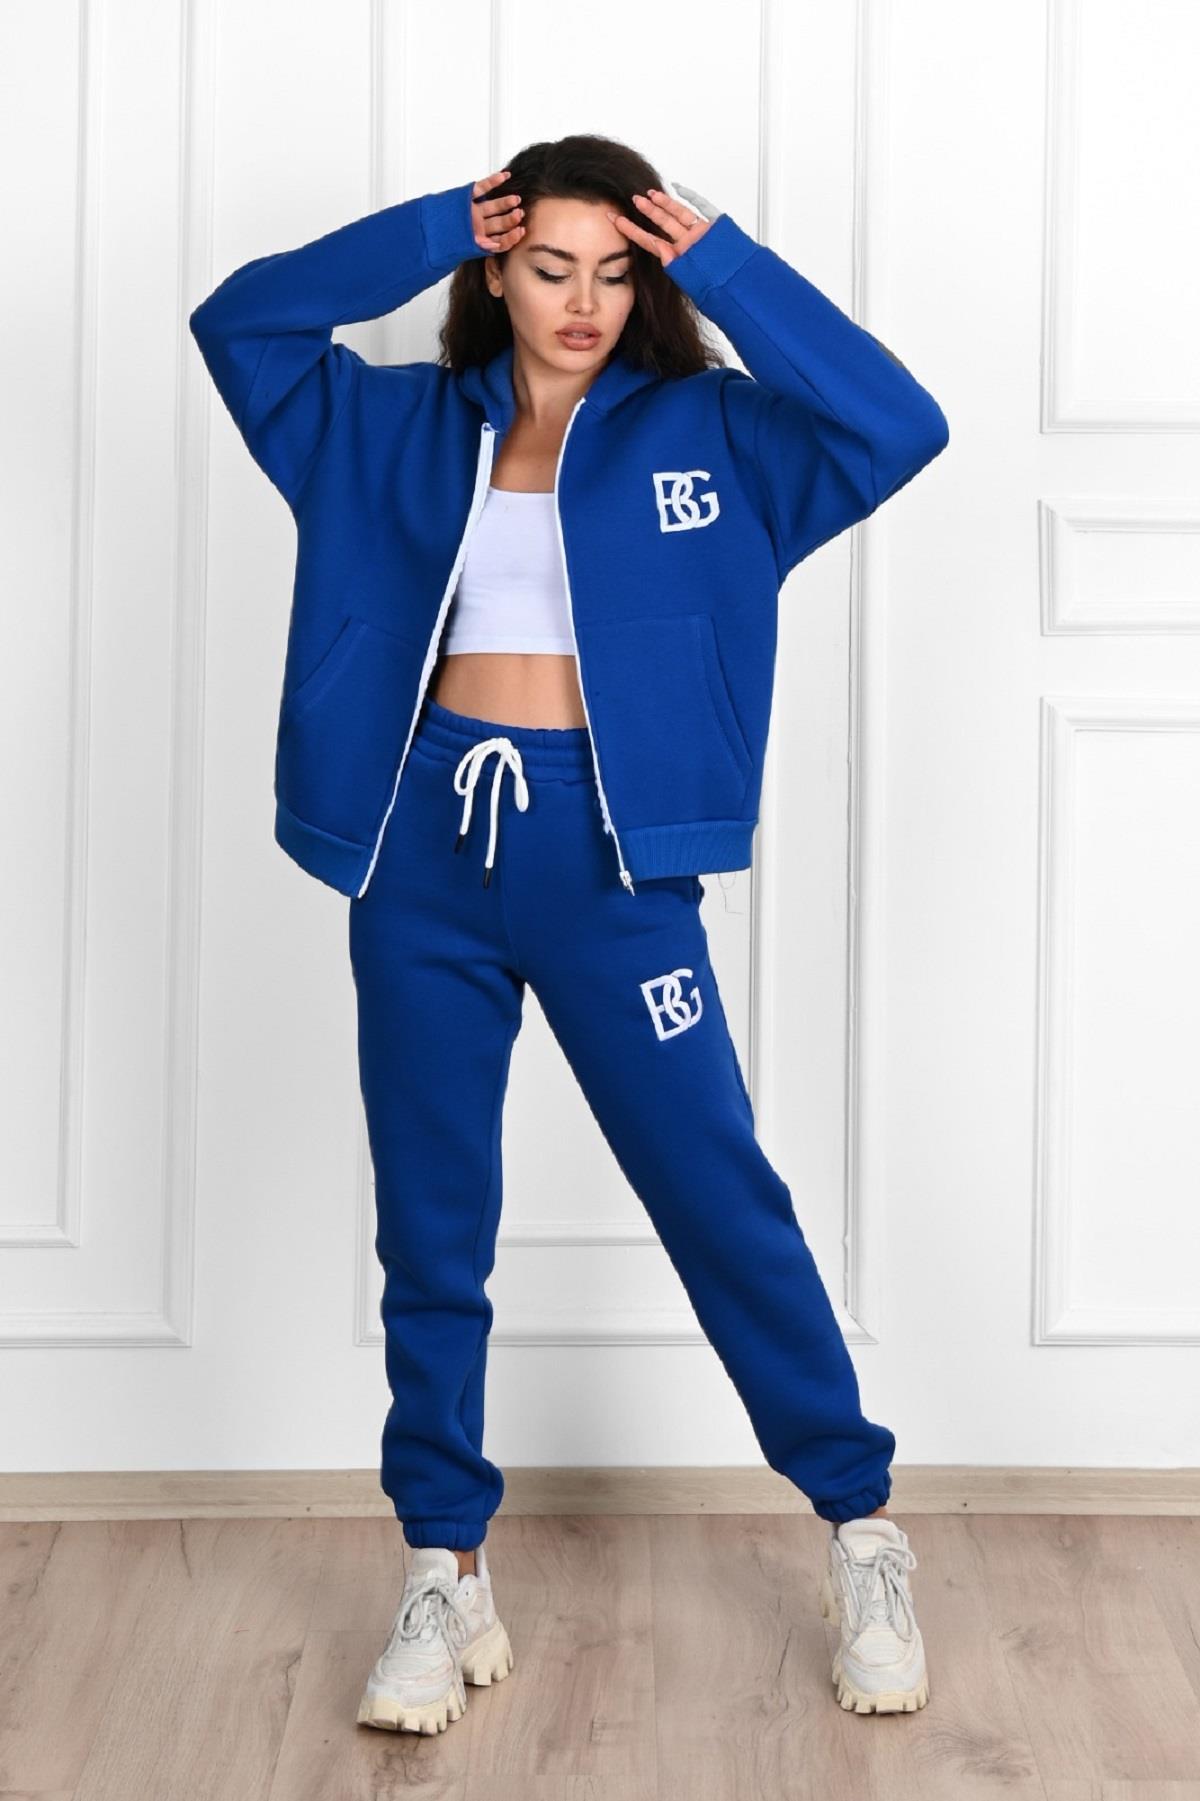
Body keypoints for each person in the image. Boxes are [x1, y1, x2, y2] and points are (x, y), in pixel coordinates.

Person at [189, 132, 947, 1736]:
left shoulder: (719, 436)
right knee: (433, 1222)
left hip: (612, 866)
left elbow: (899, 421)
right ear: (498, 266)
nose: (585, 301)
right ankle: (443, 1565)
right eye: (550, 265)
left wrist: (726, 263)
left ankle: (862, 1526)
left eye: (617, 270)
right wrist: (420, 224)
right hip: (425, 854)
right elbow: (238, 322)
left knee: (717, 1191)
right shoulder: (382, 426)